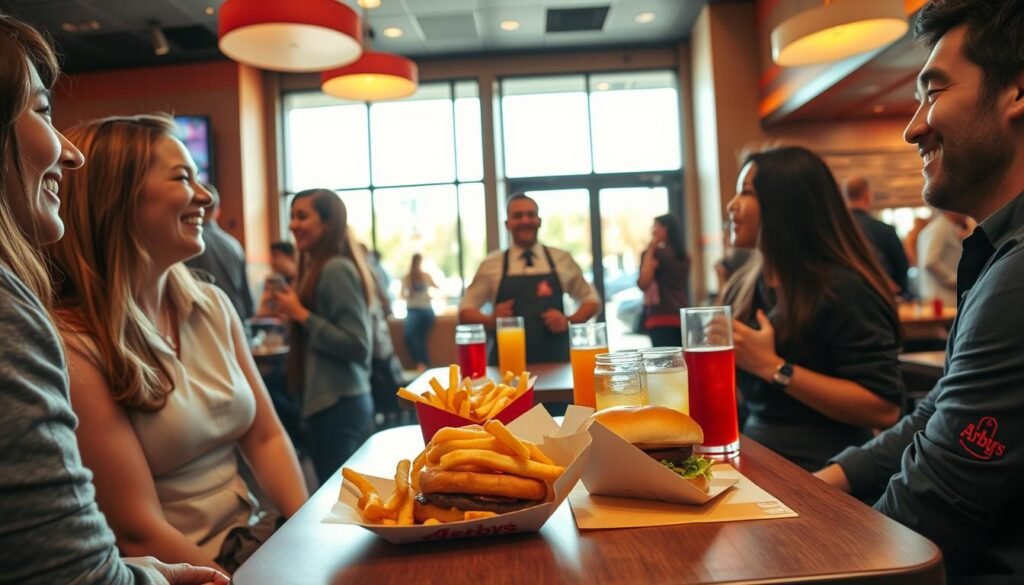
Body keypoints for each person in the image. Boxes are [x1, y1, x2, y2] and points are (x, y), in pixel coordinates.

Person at [0, 14, 227, 585]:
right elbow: (76, 573)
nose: (70, 156)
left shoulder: (208, 303)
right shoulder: (38, 325)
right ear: (119, 201)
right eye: (44, 111)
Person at [816, 1, 1024, 580]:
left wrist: (811, 556)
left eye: (933, 92)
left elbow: (934, 504)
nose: (913, 126)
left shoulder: (1018, 272)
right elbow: (938, 411)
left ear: (1017, 93)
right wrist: (830, 481)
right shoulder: (998, 253)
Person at [47, 114, 308, 573]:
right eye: (184, 178)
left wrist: (309, 538)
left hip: (251, 546)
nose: (206, 197)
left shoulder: (211, 304)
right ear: (118, 199)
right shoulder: (74, 344)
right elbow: (137, 530)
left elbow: (266, 437)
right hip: (180, 574)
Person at [722, 146, 902, 471]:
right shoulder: (744, 285)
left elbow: (883, 408)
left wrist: (773, 367)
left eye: (745, 193)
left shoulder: (842, 287)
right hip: (753, 458)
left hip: (826, 471)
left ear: (785, 205)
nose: (731, 206)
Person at [267, 188, 375, 485]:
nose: (292, 225)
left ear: (328, 223)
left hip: (339, 405)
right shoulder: (317, 267)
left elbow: (358, 344)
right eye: (292, 216)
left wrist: (301, 314)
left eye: (302, 216)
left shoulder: (335, 269)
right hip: (329, 403)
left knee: (343, 505)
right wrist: (293, 315)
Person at [459, 193, 601, 364]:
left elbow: (592, 301)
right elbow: (465, 311)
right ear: (507, 224)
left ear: (539, 221)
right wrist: (491, 320)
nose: (525, 220)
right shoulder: (491, 264)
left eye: (531, 215)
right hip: (506, 368)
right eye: (518, 216)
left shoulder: (562, 259)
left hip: (556, 364)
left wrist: (568, 321)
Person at [184, 184, 255, 322]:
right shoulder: (235, 245)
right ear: (218, 212)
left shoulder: (188, 244)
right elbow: (248, 305)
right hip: (238, 326)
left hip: (205, 328)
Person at [844, 176, 911, 297]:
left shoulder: (838, 231)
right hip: (881, 296)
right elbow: (901, 267)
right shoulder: (885, 230)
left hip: (844, 297)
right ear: (867, 196)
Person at [637, 214, 690, 347]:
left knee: (663, 364)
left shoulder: (656, 255)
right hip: (680, 315)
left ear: (665, 229)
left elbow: (643, 283)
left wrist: (650, 250)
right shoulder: (684, 256)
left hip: (660, 317)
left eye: (655, 226)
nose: (652, 231)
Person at [917, 210, 971, 307]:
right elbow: (930, 262)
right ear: (953, 210)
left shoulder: (944, 227)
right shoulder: (941, 229)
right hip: (943, 298)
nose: (966, 215)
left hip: (943, 296)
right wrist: (956, 280)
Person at [402, 253, 438, 371]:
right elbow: (402, 294)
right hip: (413, 310)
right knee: (411, 335)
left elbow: (437, 286)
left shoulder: (426, 276)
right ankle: (422, 363)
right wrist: (409, 293)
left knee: (420, 337)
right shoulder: (407, 278)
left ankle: (424, 363)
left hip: (426, 310)